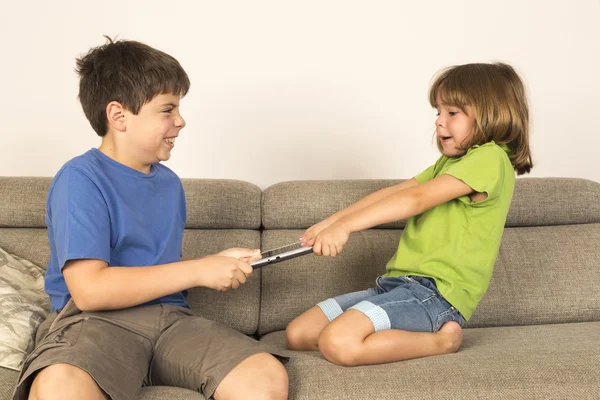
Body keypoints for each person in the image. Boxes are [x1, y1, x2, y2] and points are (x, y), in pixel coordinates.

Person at [13, 37, 288, 400]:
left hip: (170, 320)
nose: (181, 121)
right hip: (93, 322)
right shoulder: (80, 178)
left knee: (263, 375)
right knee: (60, 386)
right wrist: (199, 269)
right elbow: (90, 289)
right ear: (119, 116)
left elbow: (151, 268)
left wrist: (216, 264)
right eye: (167, 110)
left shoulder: (169, 184)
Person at [286, 62, 533, 367]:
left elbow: (416, 200)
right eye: (438, 113)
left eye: (452, 113)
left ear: (492, 112)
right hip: (396, 284)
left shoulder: (491, 158)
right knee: (299, 334)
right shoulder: (450, 164)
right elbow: (397, 192)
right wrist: (331, 223)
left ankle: (442, 341)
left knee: (337, 342)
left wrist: (346, 228)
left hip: (435, 295)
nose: (440, 123)